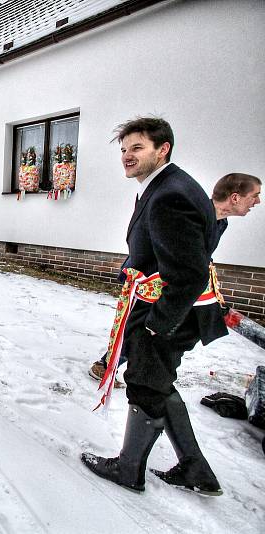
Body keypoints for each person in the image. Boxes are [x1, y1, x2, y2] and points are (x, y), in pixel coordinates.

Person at [81, 117, 229, 496]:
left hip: (167, 313)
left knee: (146, 384)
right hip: (172, 308)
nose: (127, 157)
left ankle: (129, 469)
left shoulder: (169, 195)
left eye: (137, 148)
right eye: (124, 150)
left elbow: (190, 272)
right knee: (159, 383)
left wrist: (157, 324)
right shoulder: (168, 185)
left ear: (162, 149)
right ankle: (196, 470)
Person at [88, 172, 261, 381]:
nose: (257, 201)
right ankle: (107, 364)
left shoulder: (220, 223)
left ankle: (131, 368)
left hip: (173, 285)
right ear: (235, 197)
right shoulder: (189, 211)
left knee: (159, 335)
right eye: (254, 195)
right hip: (152, 280)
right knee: (138, 328)